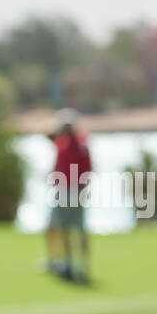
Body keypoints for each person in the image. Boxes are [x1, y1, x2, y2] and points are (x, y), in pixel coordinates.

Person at [46, 108, 92, 284]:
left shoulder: (77, 147)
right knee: (67, 230)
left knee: (74, 230)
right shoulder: (63, 145)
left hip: (73, 193)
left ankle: (78, 266)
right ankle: (70, 265)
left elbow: (87, 172)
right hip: (69, 192)